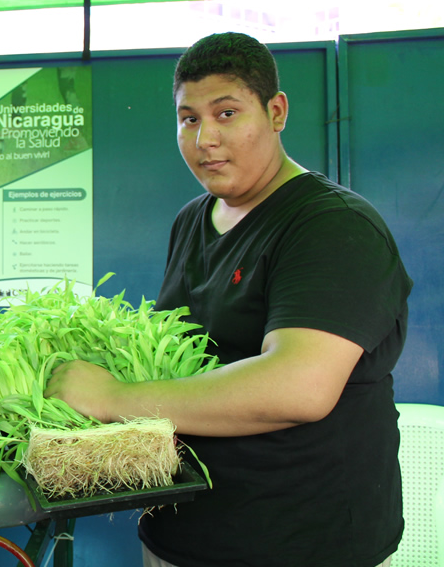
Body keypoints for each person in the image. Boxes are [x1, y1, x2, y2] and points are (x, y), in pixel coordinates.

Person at [45, 32, 411, 567]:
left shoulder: (332, 227)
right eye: (189, 118)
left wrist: (114, 397)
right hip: (178, 535)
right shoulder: (193, 219)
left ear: (276, 112)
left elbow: (298, 388)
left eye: (227, 113)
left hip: (297, 544)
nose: (205, 139)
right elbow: (181, 356)